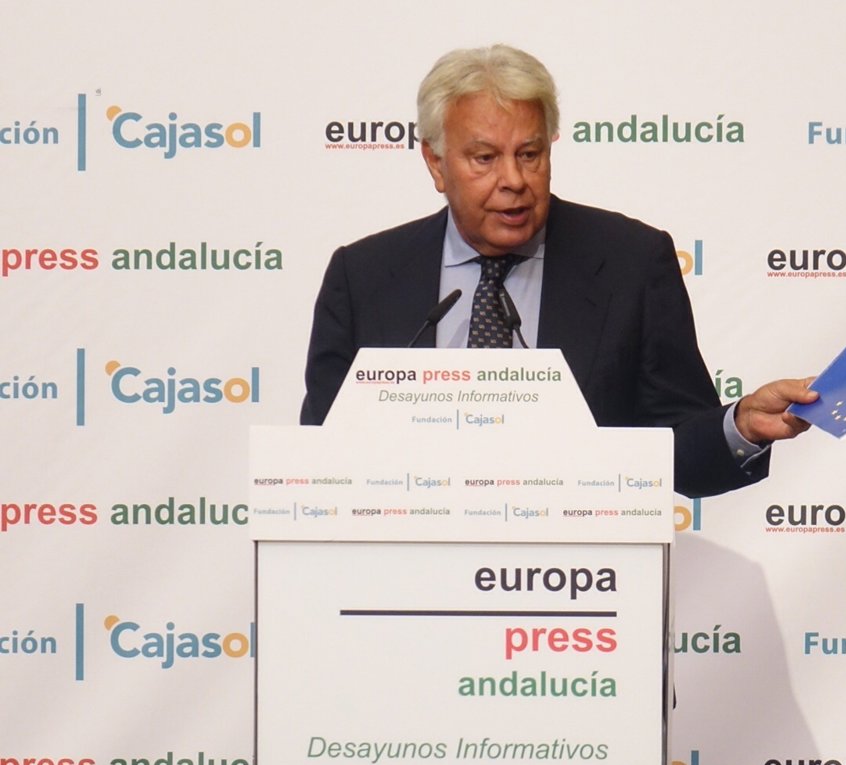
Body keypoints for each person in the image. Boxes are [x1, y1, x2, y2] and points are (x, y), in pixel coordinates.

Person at [300, 44, 818, 498]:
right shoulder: (363, 277)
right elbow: (322, 459)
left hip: (577, 573)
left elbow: (676, 446)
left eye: (530, 154)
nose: (513, 179)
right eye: (484, 158)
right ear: (436, 163)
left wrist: (740, 425)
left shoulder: (632, 263)